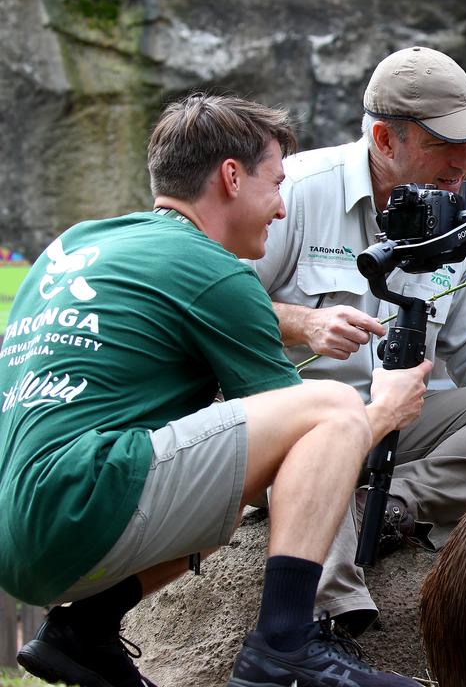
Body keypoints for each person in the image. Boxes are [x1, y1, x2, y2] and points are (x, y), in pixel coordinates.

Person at [0, 94, 431, 687]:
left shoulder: (76, 246)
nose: (282, 209)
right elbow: (304, 447)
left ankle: (85, 632)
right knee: (331, 407)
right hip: (82, 505)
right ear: (231, 176)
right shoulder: (213, 269)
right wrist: (384, 410)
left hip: (17, 529)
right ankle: (286, 646)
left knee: (226, 472)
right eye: (276, 184)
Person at [250, 45, 466, 637]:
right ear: (386, 140)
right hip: (298, 427)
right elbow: (212, 310)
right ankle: (320, 623)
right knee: (327, 427)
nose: (465, 160)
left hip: (404, 426)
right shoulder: (296, 193)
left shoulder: (461, 225)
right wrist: (302, 323)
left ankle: (390, 506)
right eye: (446, 141)